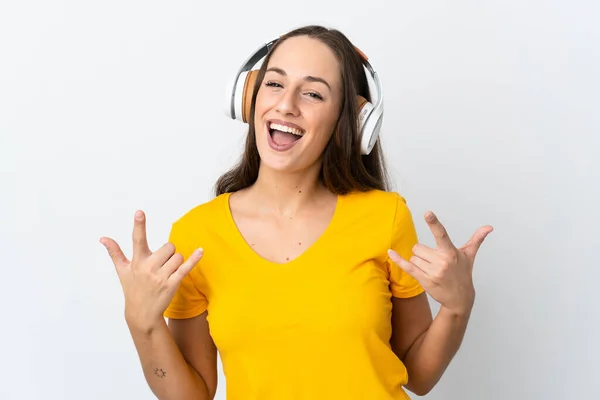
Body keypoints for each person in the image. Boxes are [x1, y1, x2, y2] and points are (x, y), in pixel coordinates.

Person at [100, 25, 493, 400]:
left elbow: (420, 377)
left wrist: (458, 306)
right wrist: (141, 322)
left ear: (351, 122)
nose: (285, 105)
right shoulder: (197, 234)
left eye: (313, 94)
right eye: (274, 83)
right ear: (249, 97)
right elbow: (191, 394)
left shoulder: (386, 218)